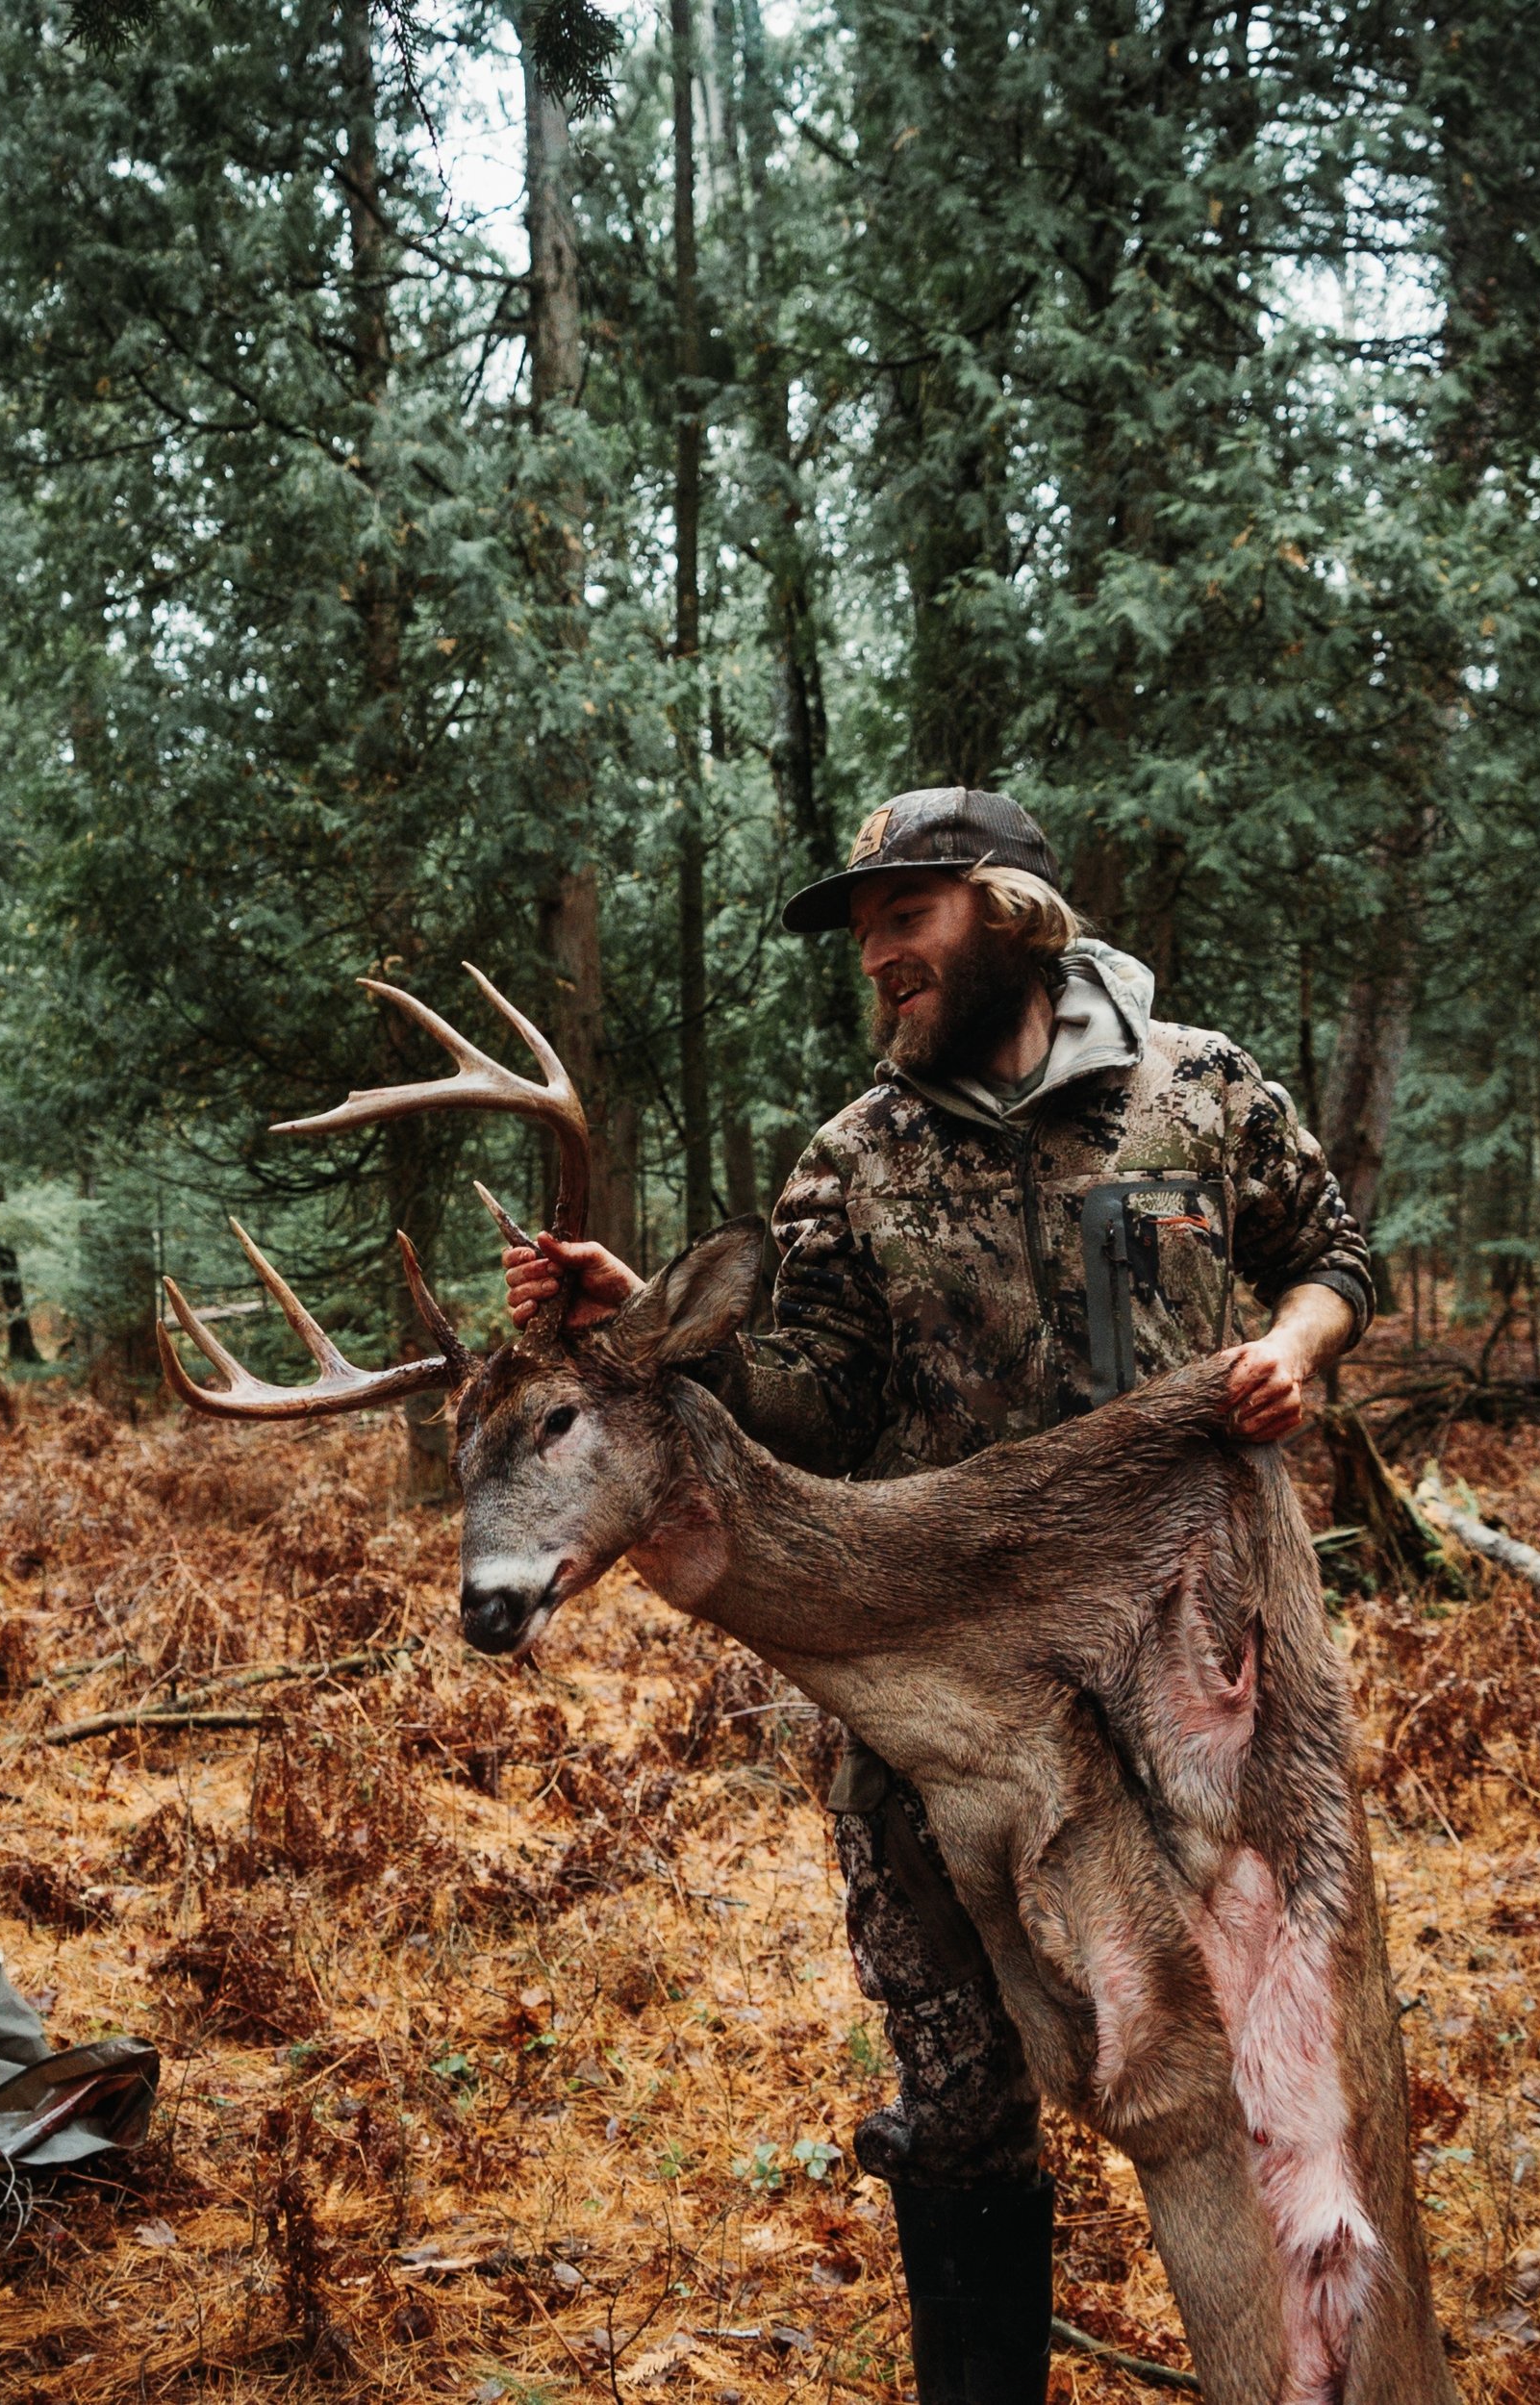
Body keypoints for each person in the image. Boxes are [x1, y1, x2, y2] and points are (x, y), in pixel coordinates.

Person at [505, 788, 1373, 2405]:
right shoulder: (853, 1156)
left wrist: (1295, 1348)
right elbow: (816, 1405)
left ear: (1011, 912)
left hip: (1194, 1681)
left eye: (906, 917)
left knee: (1265, 2066)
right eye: (863, 934)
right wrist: (657, 1330)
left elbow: (1334, 1251)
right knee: (963, 2099)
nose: (878, 959)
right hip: (951, 1707)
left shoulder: (1201, 1089)